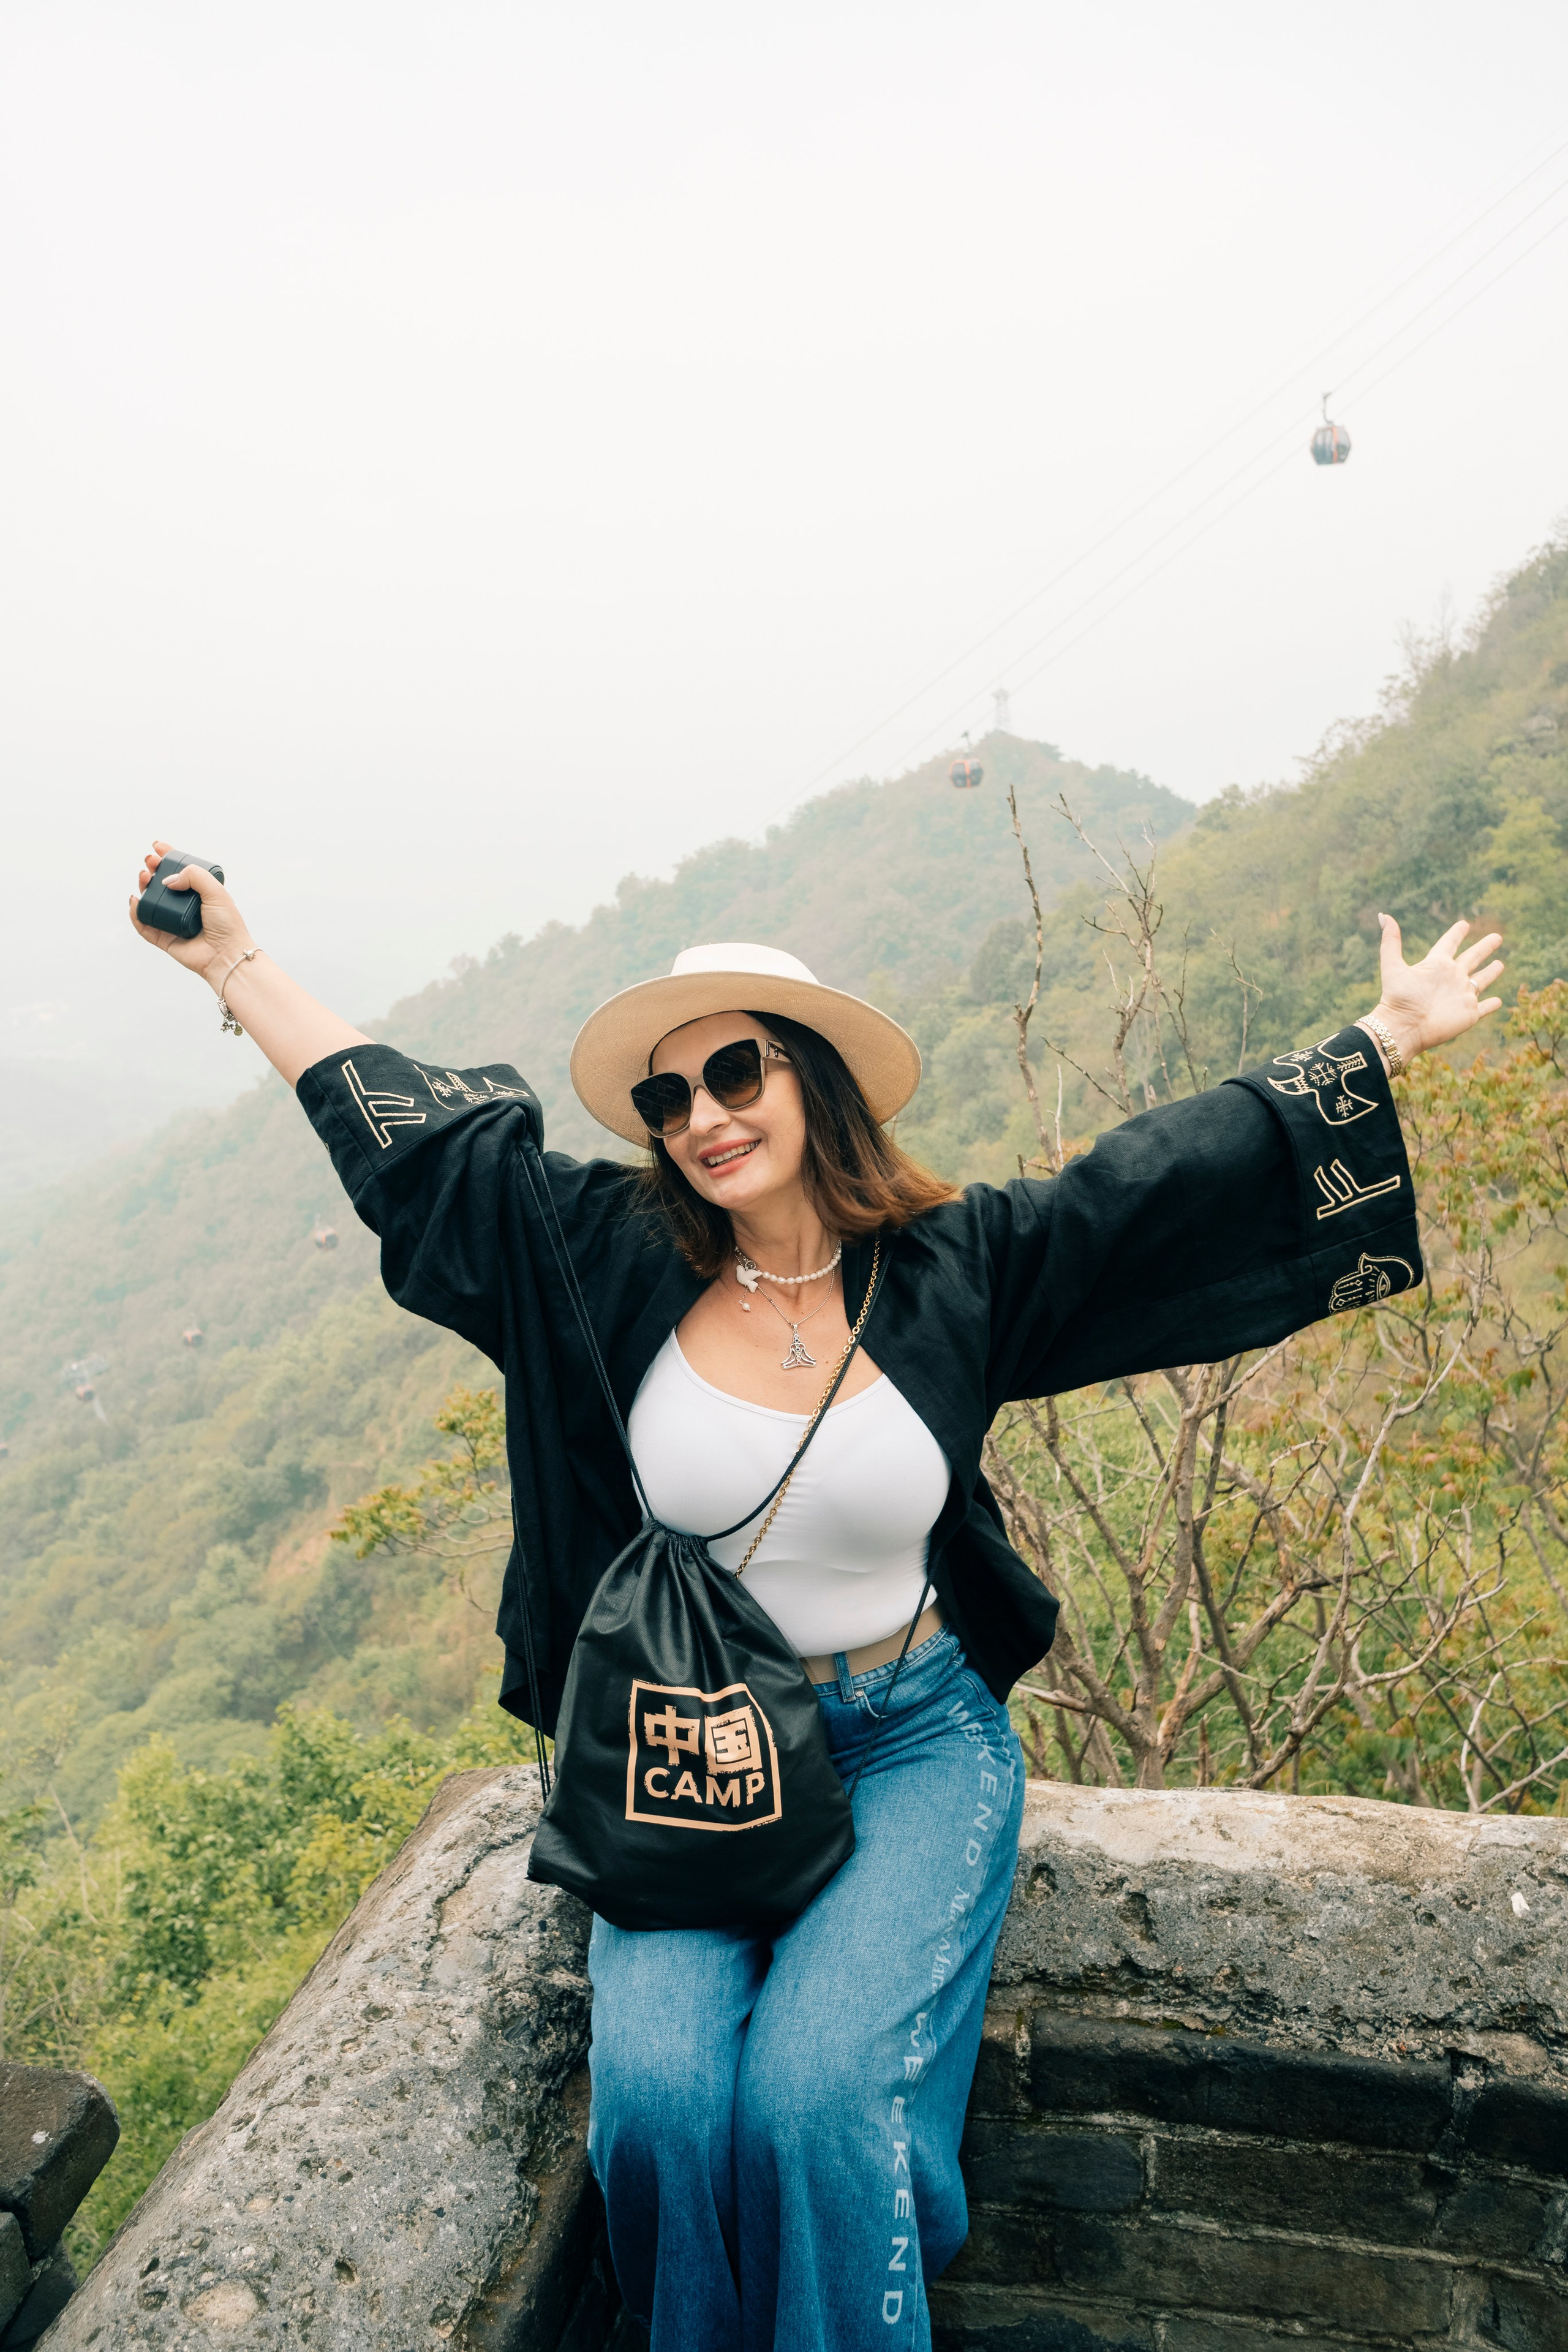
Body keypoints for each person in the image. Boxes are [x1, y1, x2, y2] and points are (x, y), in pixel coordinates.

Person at [130, 843, 1503, 2352]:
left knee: (815, 2099)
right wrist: (238, 968)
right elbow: (429, 1155)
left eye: (734, 1074)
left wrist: (1382, 1038)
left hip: (913, 1739)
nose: (703, 1116)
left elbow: (1152, 1185)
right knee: (655, 2106)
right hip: (688, 1745)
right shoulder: (607, 1261)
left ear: (813, 1083)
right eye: (670, 1098)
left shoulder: (955, 1267)